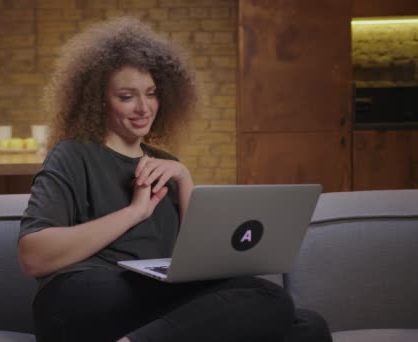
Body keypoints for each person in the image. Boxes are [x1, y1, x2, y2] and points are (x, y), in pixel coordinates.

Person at [18, 17, 331, 342]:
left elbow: (201, 263)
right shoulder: (73, 155)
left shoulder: (168, 167)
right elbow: (34, 257)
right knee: (269, 298)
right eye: (126, 96)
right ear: (97, 101)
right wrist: (133, 212)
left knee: (308, 327)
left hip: (153, 302)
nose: (143, 108)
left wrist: (184, 180)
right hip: (81, 297)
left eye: (151, 93)